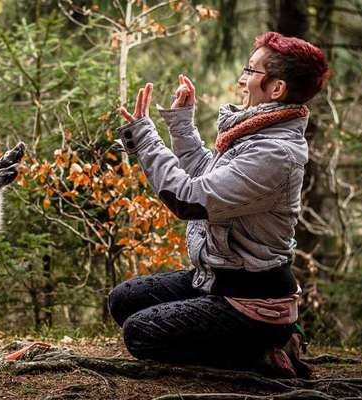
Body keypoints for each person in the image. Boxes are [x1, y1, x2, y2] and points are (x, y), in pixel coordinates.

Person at [109, 32, 330, 378]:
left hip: (253, 303)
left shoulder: (274, 152)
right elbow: (204, 176)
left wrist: (146, 137)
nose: (242, 79)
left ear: (276, 89)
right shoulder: (255, 135)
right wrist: (182, 123)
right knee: (123, 300)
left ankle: (264, 353)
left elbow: (189, 200)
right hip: (216, 280)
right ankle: (250, 344)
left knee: (140, 334)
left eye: (251, 70)